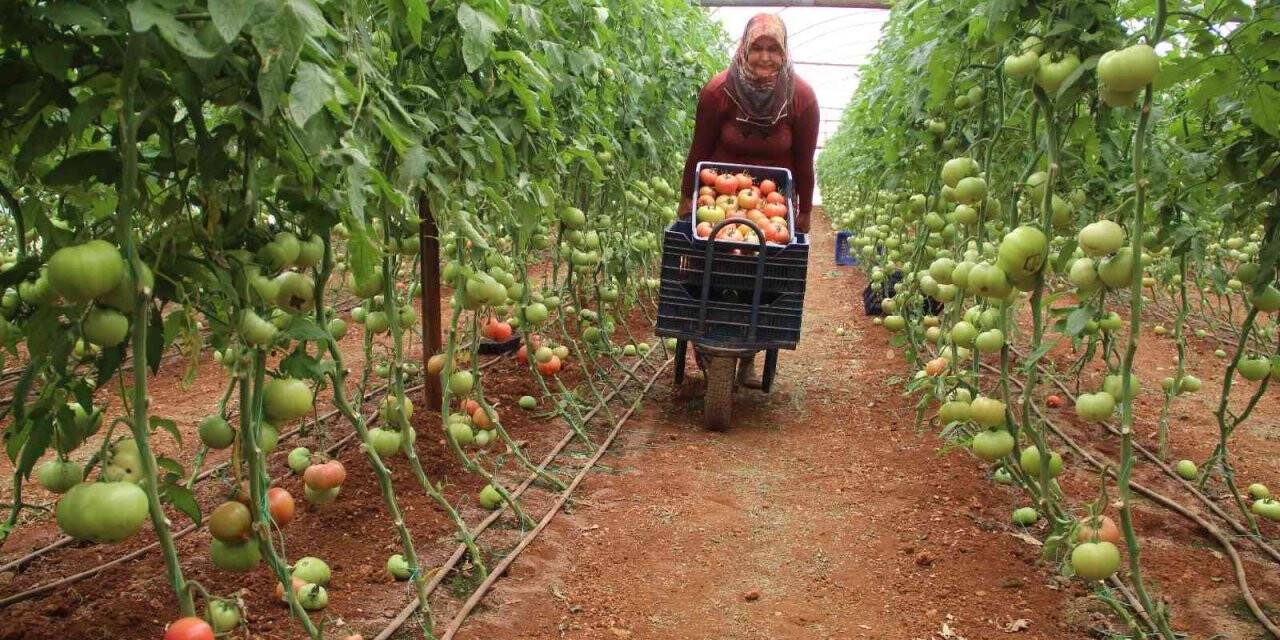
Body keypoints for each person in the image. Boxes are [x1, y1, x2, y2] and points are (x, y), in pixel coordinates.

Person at [678, 12, 819, 386]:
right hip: (719, 196)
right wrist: (686, 199)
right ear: (744, 47)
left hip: (772, 206)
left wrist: (804, 212)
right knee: (705, 271)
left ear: (785, 51)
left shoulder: (801, 98)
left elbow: (804, 163)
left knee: (766, 276)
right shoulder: (718, 91)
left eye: (774, 48)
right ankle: (706, 340)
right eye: (757, 47)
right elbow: (698, 152)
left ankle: (751, 351)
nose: (765, 57)